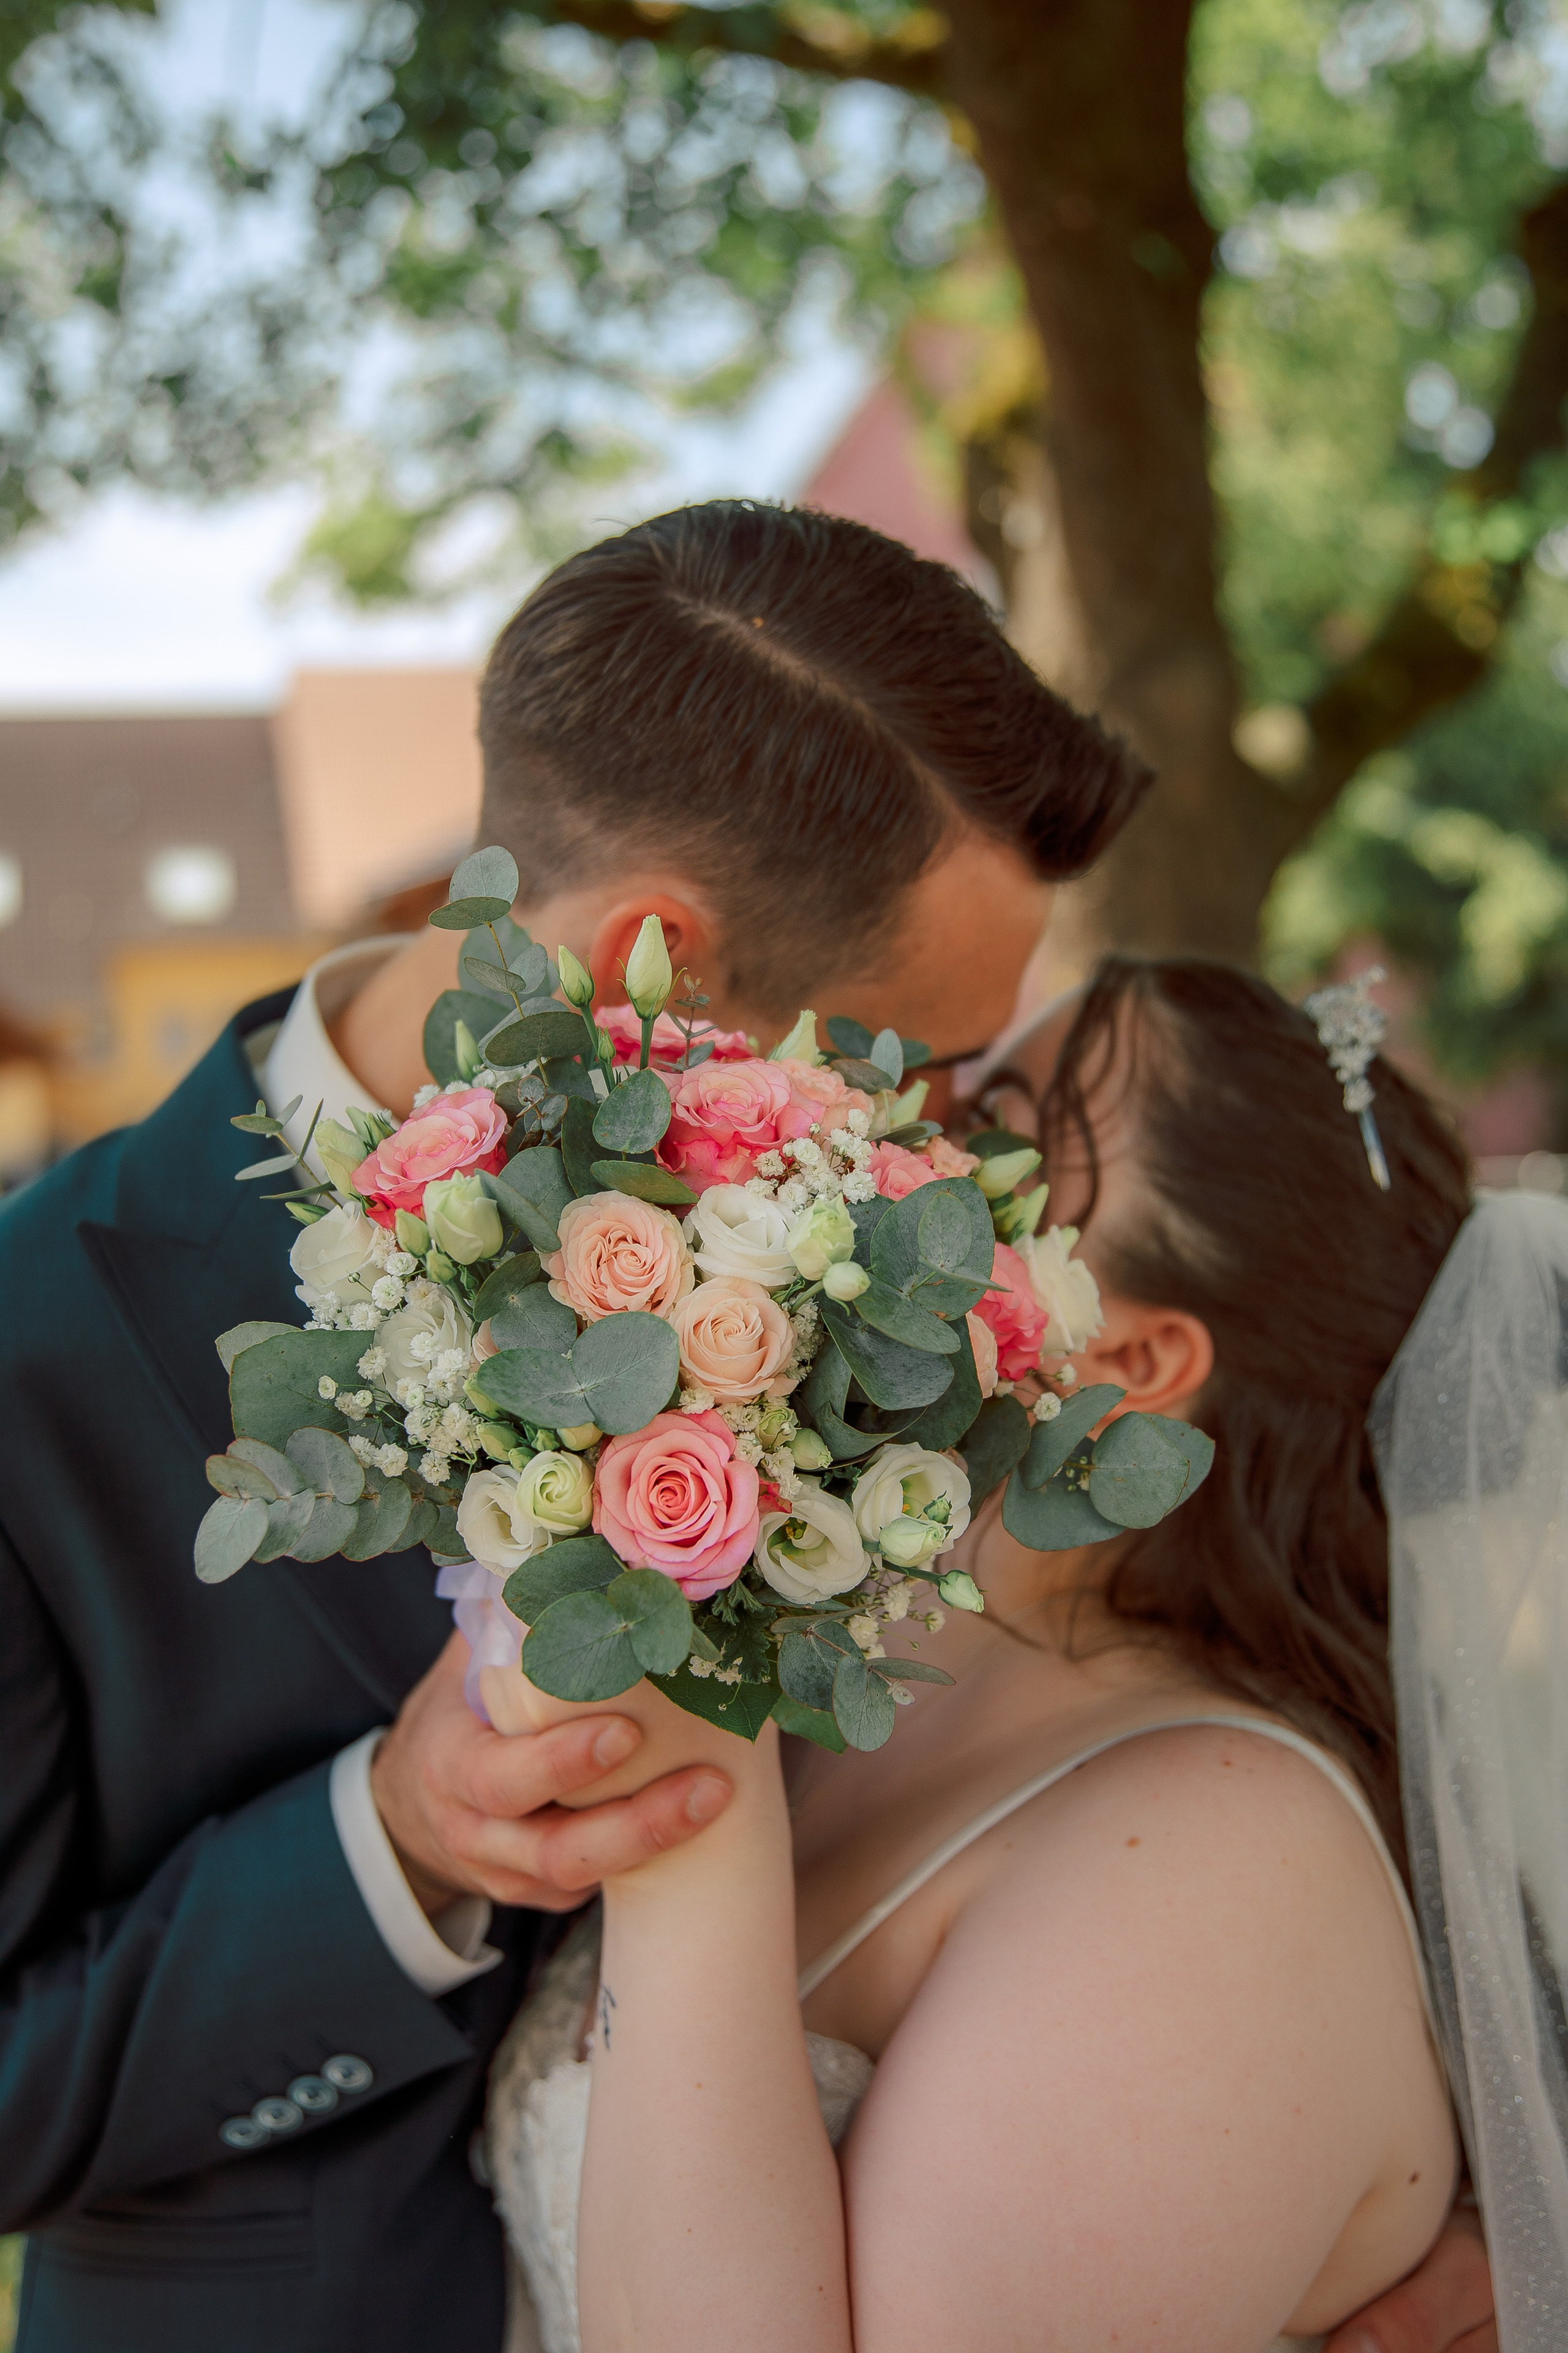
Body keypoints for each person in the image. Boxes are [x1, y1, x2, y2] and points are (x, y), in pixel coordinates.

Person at [0, 502, 1146, 2353]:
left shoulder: (912, 1290)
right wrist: (393, 1839)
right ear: (657, 969)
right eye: (907, 1063)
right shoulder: (27, 1344)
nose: (954, 1149)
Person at [483, 953, 1494, 2353]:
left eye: (1010, 1133)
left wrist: (684, 1849)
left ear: (1134, 1363)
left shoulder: (1220, 1867)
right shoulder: (868, 1626)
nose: (917, 1137)